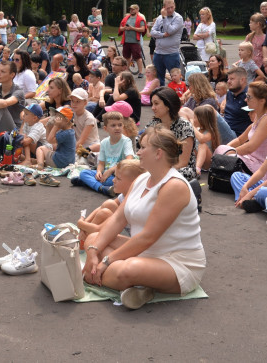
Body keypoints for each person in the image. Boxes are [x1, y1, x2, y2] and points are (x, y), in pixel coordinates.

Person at [82, 127, 206, 309]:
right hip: (146, 253)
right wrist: (93, 251)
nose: (138, 152)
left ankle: (103, 275)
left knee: (125, 268)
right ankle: (141, 286)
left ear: (158, 153)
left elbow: (148, 236)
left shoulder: (174, 186)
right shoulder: (142, 179)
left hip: (177, 262)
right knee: (93, 240)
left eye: (142, 148)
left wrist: (107, 260)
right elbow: (118, 219)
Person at [213, 78, 267, 175]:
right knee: (221, 148)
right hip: (250, 158)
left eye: (249, 97)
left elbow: (250, 147)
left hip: (260, 165)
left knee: (225, 155)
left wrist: (227, 154)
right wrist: (226, 150)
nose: (245, 99)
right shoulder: (260, 117)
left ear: (262, 101)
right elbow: (240, 140)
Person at [74, 110, 135, 195]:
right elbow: (101, 163)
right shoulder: (104, 142)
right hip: (105, 173)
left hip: (119, 174)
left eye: (120, 125)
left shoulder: (126, 141)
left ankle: (87, 183)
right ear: (106, 128)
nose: (117, 128)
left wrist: (110, 170)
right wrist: (99, 171)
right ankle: (101, 188)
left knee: (112, 181)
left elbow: (129, 160)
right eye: (113, 125)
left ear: (123, 126)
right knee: (84, 173)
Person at [144, 87, 197, 181]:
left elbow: (183, 162)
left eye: (156, 103)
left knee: (177, 174)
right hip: (156, 165)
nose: (152, 107)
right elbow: (142, 147)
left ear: (168, 105)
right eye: (152, 104)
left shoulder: (184, 126)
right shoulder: (153, 124)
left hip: (178, 168)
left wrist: (160, 170)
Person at [148, 0, 183, 86]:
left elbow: (170, 31)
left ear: (174, 6)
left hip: (171, 53)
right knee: (158, 79)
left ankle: (176, 97)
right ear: (164, 7)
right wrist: (163, 35)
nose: (170, 10)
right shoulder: (159, 18)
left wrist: (165, 18)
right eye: (168, 8)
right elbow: (152, 32)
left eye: (172, 7)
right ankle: (161, 97)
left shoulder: (178, 18)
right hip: (158, 52)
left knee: (175, 79)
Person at [119, 4, 147, 77]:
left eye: (133, 9)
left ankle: (140, 72)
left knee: (138, 57)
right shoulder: (126, 18)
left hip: (135, 41)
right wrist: (125, 28)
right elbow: (120, 28)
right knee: (126, 57)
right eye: (130, 9)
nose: (131, 10)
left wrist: (132, 28)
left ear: (137, 10)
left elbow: (143, 29)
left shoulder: (140, 19)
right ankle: (127, 71)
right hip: (126, 41)